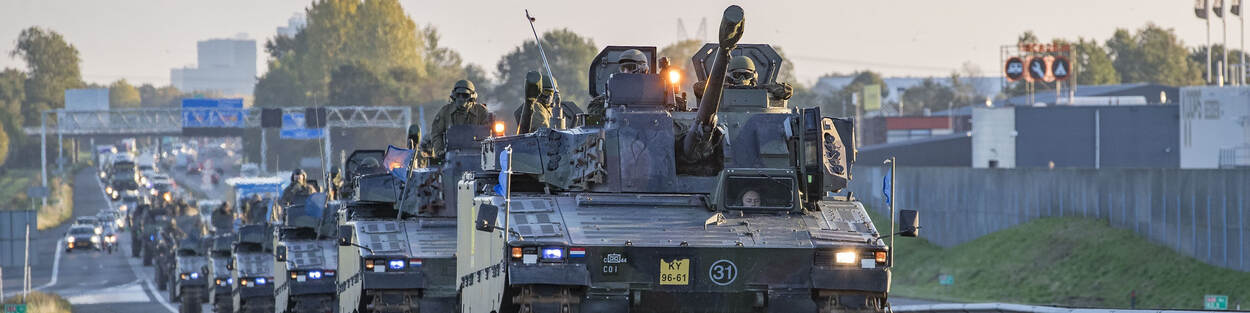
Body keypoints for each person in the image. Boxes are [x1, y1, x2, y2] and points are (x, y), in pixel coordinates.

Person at [421, 80, 490, 162]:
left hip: (477, 158)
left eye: (465, 95)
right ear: (454, 96)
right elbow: (436, 133)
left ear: (472, 97)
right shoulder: (445, 111)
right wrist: (440, 151)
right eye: (458, 95)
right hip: (451, 158)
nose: (460, 99)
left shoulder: (481, 112)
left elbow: (489, 135)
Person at [587, 49, 650, 122]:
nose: (625, 72)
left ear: (642, 69)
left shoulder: (655, 91)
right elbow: (593, 107)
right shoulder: (616, 90)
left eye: (630, 67)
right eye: (623, 68)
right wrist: (611, 113)